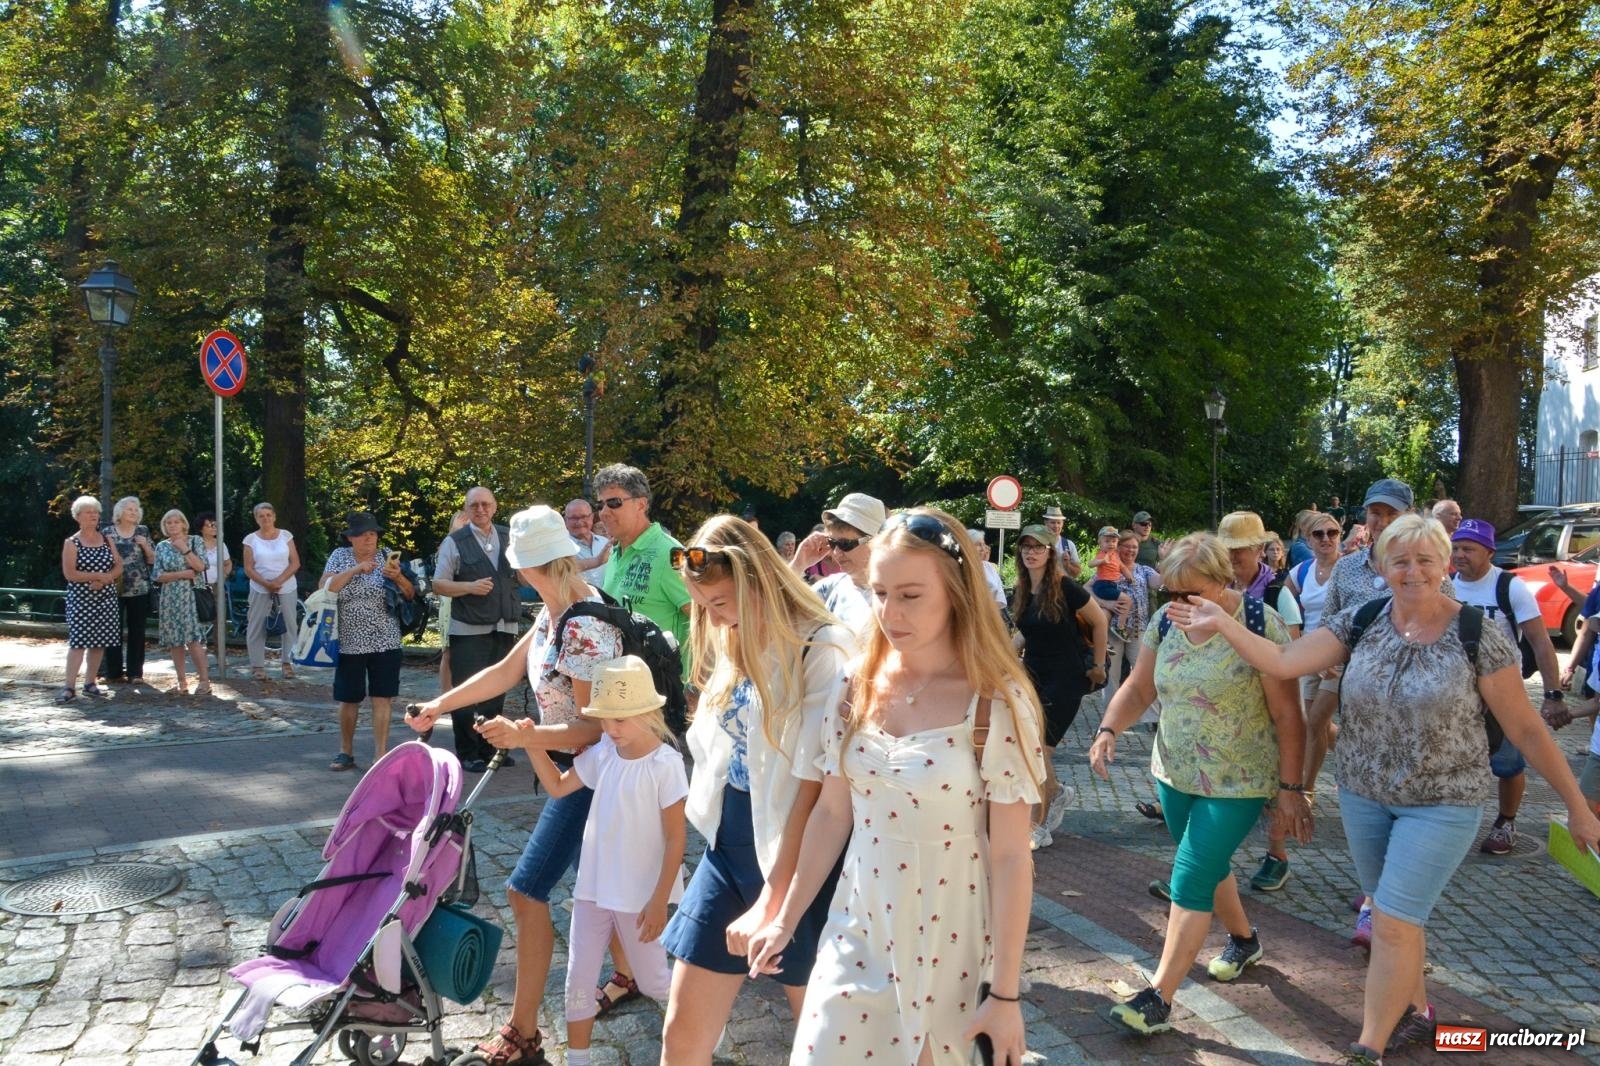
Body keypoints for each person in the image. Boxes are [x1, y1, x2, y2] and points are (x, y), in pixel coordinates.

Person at [1169, 514, 1600, 1064]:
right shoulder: (1363, 619)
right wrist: (1222, 620)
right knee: (1401, 917)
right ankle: (1418, 1016)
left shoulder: (1478, 634)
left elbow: (1525, 729)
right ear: (1380, 566)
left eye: (1425, 559)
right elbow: (1281, 660)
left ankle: (1367, 1047)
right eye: (1400, 560)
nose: (1413, 570)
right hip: (1365, 797)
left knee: (1391, 922)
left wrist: (1575, 806)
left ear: (1445, 565)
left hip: (1443, 803)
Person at [746, 507, 1044, 1066]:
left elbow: (1009, 855)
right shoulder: (852, 684)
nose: (889, 612)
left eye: (910, 595)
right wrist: (784, 917)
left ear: (957, 592)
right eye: (880, 592)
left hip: (951, 938)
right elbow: (834, 814)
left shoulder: (998, 700)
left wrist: (1005, 993)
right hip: (857, 923)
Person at [407, 504, 627, 1065]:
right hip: (579, 771)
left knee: (526, 891)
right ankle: (633, 973)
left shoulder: (583, 622)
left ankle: (523, 1034)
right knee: (607, 892)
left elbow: (592, 727)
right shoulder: (552, 613)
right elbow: (504, 672)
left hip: (596, 777)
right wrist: (439, 704)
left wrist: (524, 737)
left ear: (529, 567)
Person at [1088, 532, 1309, 1036]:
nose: (1181, 603)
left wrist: (1292, 790)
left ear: (1223, 580)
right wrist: (1107, 729)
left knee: (1190, 874)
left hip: (1240, 779)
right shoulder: (1166, 623)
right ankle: (1245, 939)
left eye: (1194, 592)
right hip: (1175, 772)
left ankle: (1159, 997)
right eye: (1172, 592)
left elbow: (1288, 715)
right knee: (1210, 864)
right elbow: (1140, 686)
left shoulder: (1260, 623)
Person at [658, 515, 855, 1064]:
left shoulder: (824, 648)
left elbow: (814, 792)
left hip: (798, 859)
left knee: (820, 1040)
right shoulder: (736, 634)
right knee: (681, 1035)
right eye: (704, 606)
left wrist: (776, 897)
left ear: (757, 583)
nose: (713, 617)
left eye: (720, 603)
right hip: (731, 847)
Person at [524, 656, 688, 1066]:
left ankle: (700, 1029)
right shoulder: (603, 753)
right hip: (594, 888)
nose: (610, 729)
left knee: (653, 981)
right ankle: (578, 1058)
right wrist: (531, 743)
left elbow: (676, 838)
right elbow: (560, 787)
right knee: (579, 973)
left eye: (620, 720)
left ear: (648, 713)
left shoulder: (664, 765)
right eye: (605, 720)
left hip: (638, 895)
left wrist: (658, 900)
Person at [1448, 518, 1564, 856]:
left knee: (1508, 764)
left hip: (1503, 692)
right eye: (1455, 548)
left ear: (1489, 552)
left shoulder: (1509, 587)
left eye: (1468, 549)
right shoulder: (1446, 585)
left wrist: (1553, 695)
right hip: (1456, 693)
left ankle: (1506, 822)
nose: (1460, 555)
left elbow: (1541, 642)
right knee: (1453, 760)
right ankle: (1451, 823)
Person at [1012, 523, 1107, 849]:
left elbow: (1099, 621)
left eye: (1038, 547)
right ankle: (1057, 792)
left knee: (1039, 750)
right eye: (1026, 547)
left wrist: (1098, 665)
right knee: (1031, 748)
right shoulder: (1022, 589)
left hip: (1066, 678)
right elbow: (1026, 633)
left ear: (1051, 552)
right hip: (1034, 677)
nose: (1031, 552)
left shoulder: (1066, 587)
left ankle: (1037, 826)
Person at [432, 486, 523, 774]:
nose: (481, 509)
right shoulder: (454, 541)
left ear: (495, 507)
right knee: (467, 692)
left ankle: (489, 747)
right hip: (468, 629)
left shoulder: (510, 537)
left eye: (486, 504)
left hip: (504, 625)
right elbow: (438, 584)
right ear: (467, 509)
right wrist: (468, 587)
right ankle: (468, 752)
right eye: (475, 505)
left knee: (496, 692)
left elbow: (523, 574)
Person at [320, 512, 412, 769]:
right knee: (348, 698)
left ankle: (380, 754)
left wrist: (398, 578)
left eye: (372, 533)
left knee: (383, 697)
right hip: (350, 641)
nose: (369, 538)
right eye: (362, 534)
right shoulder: (339, 556)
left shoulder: (387, 556)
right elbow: (324, 587)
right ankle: (345, 752)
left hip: (386, 639)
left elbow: (410, 593)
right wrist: (355, 569)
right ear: (351, 538)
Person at [593, 464, 691, 655]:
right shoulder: (615, 552)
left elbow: (707, 619)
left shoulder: (672, 553)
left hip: (664, 682)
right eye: (600, 505)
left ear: (641, 504)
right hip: (623, 678)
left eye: (614, 502)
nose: (603, 512)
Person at [788, 491, 888, 636]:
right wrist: (798, 565)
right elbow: (776, 611)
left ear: (875, 541)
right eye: (832, 543)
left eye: (845, 544)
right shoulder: (830, 588)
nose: (836, 553)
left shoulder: (896, 597)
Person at [58, 495, 123, 702]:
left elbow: (119, 565)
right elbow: (70, 574)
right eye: (89, 512)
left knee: (99, 641)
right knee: (78, 642)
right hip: (81, 599)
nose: (94, 515)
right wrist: (97, 577)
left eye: (96, 512)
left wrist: (106, 580)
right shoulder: (72, 543)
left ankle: (90, 682)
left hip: (106, 597)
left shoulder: (107, 539)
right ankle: (69, 687)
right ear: (78, 517)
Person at [152, 509, 213, 697]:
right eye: (168, 522)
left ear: (183, 524)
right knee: (175, 641)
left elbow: (201, 566)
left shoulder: (195, 541)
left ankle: (204, 680)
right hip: (170, 596)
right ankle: (181, 681)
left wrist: (184, 549)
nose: (172, 525)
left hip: (190, 595)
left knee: (193, 639)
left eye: (176, 522)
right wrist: (181, 574)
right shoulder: (161, 546)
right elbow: (157, 575)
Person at [98, 496, 155, 685]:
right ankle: (112, 672)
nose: (134, 512)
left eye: (136, 509)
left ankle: (135, 673)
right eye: (130, 509)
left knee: (137, 631)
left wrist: (144, 545)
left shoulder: (143, 531)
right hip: (112, 588)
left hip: (139, 589)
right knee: (111, 630)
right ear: (119, 512)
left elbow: (153, 560)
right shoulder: (107, 532)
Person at [242, 502, 301, 681]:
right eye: (261, 516)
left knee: (290, 625)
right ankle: (258, 665)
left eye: (268, 515)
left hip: (286, 586)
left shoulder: (286, 536)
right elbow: (249, 568)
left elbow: (295, 562)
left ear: (274, 516)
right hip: (260, 587)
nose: (265, 518)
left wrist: (279, 581)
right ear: (256, 519)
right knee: (256, 625)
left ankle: (287, 663)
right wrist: (266, 584)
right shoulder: (250, 540)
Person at [1108, 529, 1162, 719]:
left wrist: (1164, 560)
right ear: (1118, 547)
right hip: (1113, 630)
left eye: (1135, 547)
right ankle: (1111, 717)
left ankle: (1154, 718)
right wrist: (1108, 604)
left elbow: (1159, 582)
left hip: (1138, 630)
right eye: (1127, 546)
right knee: (1111, 675)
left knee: (1146, 672)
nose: (1131, 550)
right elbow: (1088, 591)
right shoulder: (1109, 568)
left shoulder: (1143, 570)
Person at [434, 509, 469, 696]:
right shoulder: (448, 543)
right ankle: (446, 695)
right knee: (448, 651)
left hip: (473, 602)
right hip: (450, 603)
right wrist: (455, 532)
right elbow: (440, 564)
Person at [1088, 525, 1133, 621]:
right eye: (1107, 541)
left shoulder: (1115, 556)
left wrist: (1130, 577)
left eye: (1114, 541)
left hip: (1111, 585)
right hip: (1103, 585)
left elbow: (1123, 567)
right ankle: (1120, 627)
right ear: (1100, 543)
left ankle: (1115, 624)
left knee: (1116, 605)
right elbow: (1090, 564)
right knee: (1127, 600)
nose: (1111, 544)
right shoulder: (1102, 554)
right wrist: (1102, 561)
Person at [966, 527, 1010, 611]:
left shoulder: (989, 567)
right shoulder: (959, 568)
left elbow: (1000, 599)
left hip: (990, 615)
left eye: (983, 544)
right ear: (968, 545)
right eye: (978, 545)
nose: (983, 549)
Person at [565, 497, 611, 575]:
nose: (579, 522)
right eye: (574, 518)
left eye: (583, 517)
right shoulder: (561, 546)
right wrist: (597, 561)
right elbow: (559, 569)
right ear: (566, 520)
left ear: (592, 517)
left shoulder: (605, 542)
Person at [1042, 504, 1083, 578]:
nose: (1056, 526)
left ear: (1062, 524)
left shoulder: (1068, 544)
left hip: (1064, 587)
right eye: (1053, 522)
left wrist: (1067, 564)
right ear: (1045, 523)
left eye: (1058, 523)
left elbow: (1077, 573)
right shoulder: (1039, 543)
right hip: (1044, 587)